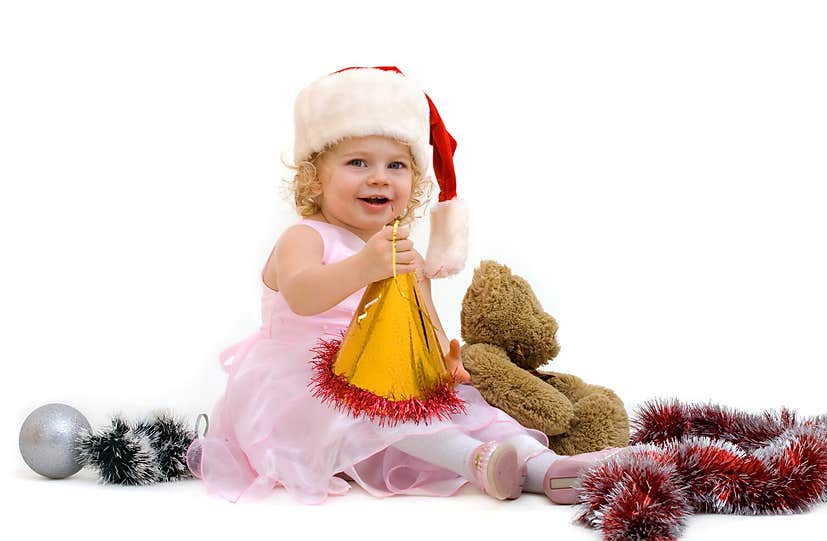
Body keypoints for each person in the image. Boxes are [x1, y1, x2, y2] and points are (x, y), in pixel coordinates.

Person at [187, 66, 621, 506]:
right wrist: (362, 267)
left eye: (396, 165)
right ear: (315, 177)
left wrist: (440, 360)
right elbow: (301, 294)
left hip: (390, 372)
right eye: (358, 162)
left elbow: (423, 322)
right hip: (309, 381)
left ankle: (544, 468)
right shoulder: (305, 237)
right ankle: (477, 461)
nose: (379, 177)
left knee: (470, 406)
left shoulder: (403, 254)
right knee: (374, 409)